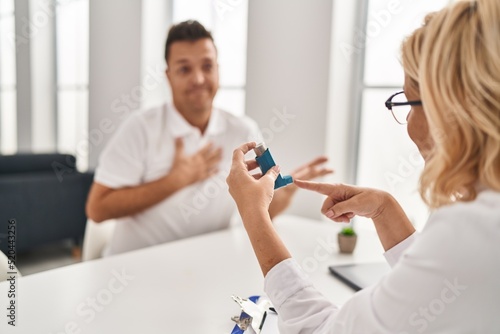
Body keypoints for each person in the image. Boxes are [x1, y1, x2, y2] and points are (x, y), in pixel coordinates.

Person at [226, 0, 500, 332]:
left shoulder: (470, 228)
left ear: (451, 107)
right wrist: (386, 210)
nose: (409, 124)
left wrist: (255, 216)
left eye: (408, 102)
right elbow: (442, 288)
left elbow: (321, 330)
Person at [86, 20, 332, 256]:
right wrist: (176, 180)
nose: (199, 79)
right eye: (184, 69)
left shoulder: (243, 131)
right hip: (134, 267)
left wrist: (283, 193)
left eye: (207, 66)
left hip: (209, 263)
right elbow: (97, 209)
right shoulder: (140, 128)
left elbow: (258, 211)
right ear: (168, 75)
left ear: (218, 70)